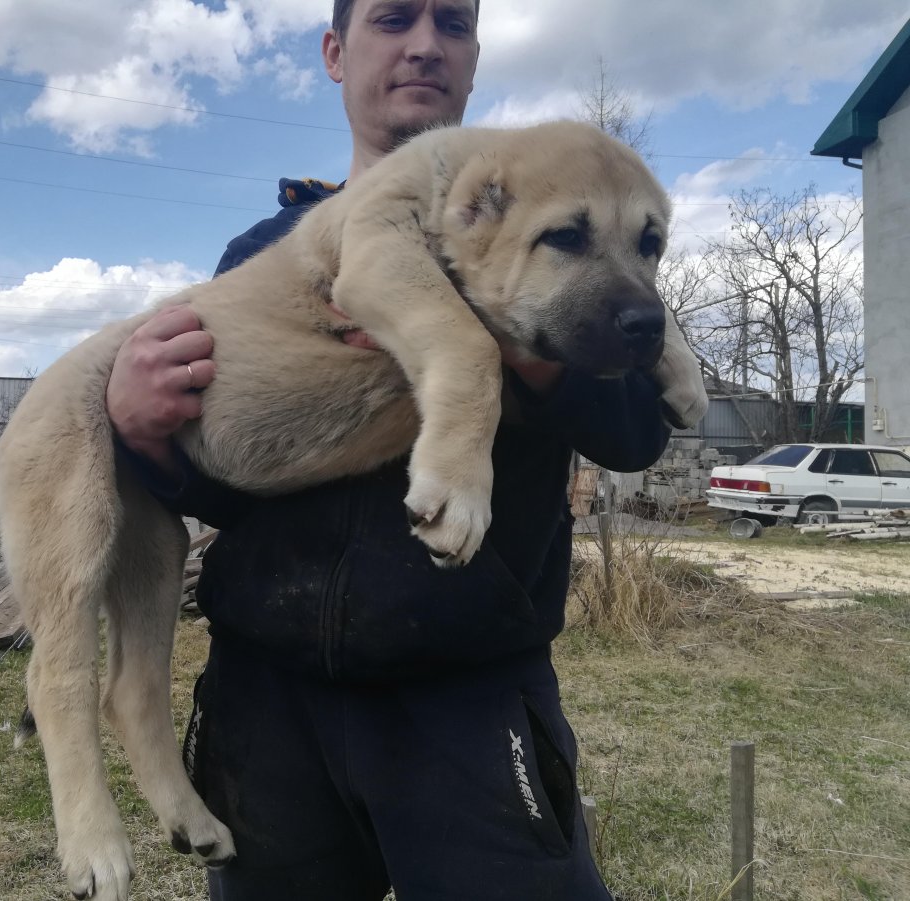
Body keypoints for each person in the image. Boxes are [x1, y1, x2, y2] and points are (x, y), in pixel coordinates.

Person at [106, 1, 670, 898]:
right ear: (336, 52)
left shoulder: (551, 236)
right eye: (393, 18)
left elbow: (637, 430)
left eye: (452, 23)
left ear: (475, 61)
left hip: (469, 704)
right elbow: (227, 479)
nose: (423, 45)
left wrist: (527, 345)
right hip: (269, 700)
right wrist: (144, 435)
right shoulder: (263, 253)